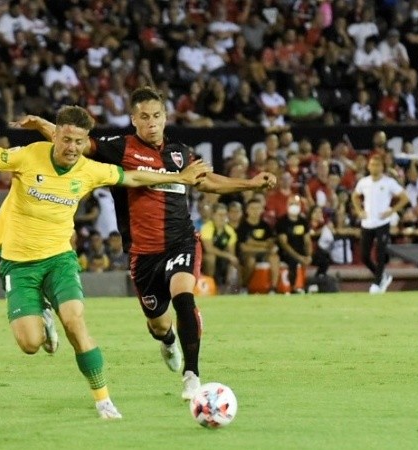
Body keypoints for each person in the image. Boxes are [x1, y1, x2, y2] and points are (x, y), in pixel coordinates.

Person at [0, 105, 212, 420]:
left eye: (79, 141)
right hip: (18, 262)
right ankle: (43, 315)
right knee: (30, 344)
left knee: (75, 321)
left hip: (59, 258)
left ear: (86, 142)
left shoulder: (91, 169)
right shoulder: (28, 155)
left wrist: (180, 178)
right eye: (67, 139)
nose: (73, 148)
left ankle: (104, 401)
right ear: (55, 135)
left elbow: (136, 178)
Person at [15, 87, 277, 400]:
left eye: (156, 116)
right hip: (143, 253)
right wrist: (43, 125)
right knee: (158, 324)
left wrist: (250, 183)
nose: (151, 122)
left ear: (165, 118)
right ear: (133, 120)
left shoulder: (180, 152)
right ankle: (167, 340)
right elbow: (77, 144)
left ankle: (192, 376)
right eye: (144, 117)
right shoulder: (120, 148)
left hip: (181, 240)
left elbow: (205, 181)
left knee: (184, 296)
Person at [351, 155, 410, 294]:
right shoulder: (363, 182)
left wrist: (392, 211)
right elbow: (354, 196)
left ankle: (377, 282)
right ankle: (382, 276)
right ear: (368, 166)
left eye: (377, 165)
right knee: (364, 256)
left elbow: (404, 197)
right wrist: (359, 211)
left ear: (382, 167)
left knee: (381, 252)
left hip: (382, 222)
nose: (374, 167)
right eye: (372, 164)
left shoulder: (389, 182)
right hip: (367, 223)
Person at [275, 195, 312, 293]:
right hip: (287, 253)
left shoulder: (303, 221)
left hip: (301, 251)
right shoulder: (282, 222)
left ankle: (315, 282)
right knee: (293, 262)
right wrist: (299, 257)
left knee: (323, 257)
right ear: (287, 206)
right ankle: (293, 288)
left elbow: (307, 241)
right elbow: (284, 244)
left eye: (296, 204)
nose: (294, 206)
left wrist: (309, 255)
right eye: (291, 204)